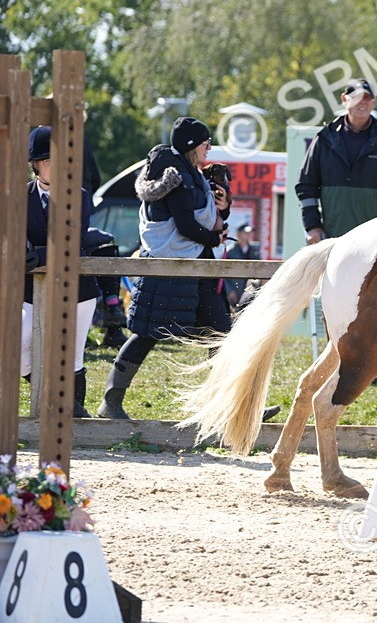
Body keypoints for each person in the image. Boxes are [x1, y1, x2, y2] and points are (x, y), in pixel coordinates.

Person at [98, 117, 233, 419]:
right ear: (189, 145)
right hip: (170, 265)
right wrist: (215, 237)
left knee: (223, 334)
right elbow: (186, 225)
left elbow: (200, 217)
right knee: (146, 334)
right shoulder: (177, 177)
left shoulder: (190, 173)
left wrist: (219, 206)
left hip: (195, 263)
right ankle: (111, 402)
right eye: (204, 142)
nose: (209, 146)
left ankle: (228, 408)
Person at [22, 126, 101, 418]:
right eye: (48, 161)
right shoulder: (21, 196)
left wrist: (38, 253)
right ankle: (52, 396)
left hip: (76, 287)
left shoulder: (78, 195)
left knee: (73, 355)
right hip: (31, 287)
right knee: (18, 345)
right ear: (35, 165)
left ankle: (76, 420)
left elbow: (73, 241)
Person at [296, 78, 377, 244]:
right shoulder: (324, 139)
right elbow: (306, 186)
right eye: (357, 97)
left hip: (376, 243)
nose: (362, 103)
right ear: (344, 99)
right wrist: (312, 227)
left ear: (374, 102)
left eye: (367, 98)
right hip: (331, 240)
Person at [223, 223, 260, 309]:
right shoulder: (230, 251)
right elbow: (223, 273)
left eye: (249, 233)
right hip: (235, 289)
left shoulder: (255, 250)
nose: (248, 235)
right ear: (238, 234)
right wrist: (229, 290)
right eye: (245, 232)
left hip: (251, 288)